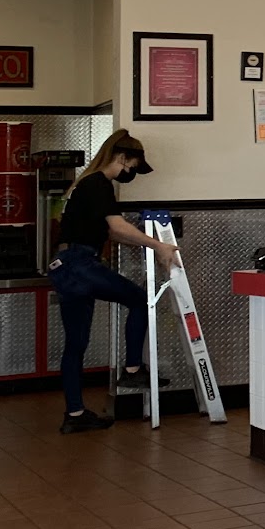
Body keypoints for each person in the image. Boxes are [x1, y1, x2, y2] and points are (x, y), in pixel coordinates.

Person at [46, 128, 179, 433]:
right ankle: (132, 369)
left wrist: (149, 245)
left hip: (65, 266)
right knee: (140, 300)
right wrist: (159, 245)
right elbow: (117, 226)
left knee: (75, 345)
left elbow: (112, 233)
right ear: (121, 157)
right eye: (132, 165)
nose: (130, 172)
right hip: (80, 264)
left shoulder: (85, 184)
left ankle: (75, 414)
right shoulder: (99, 183)